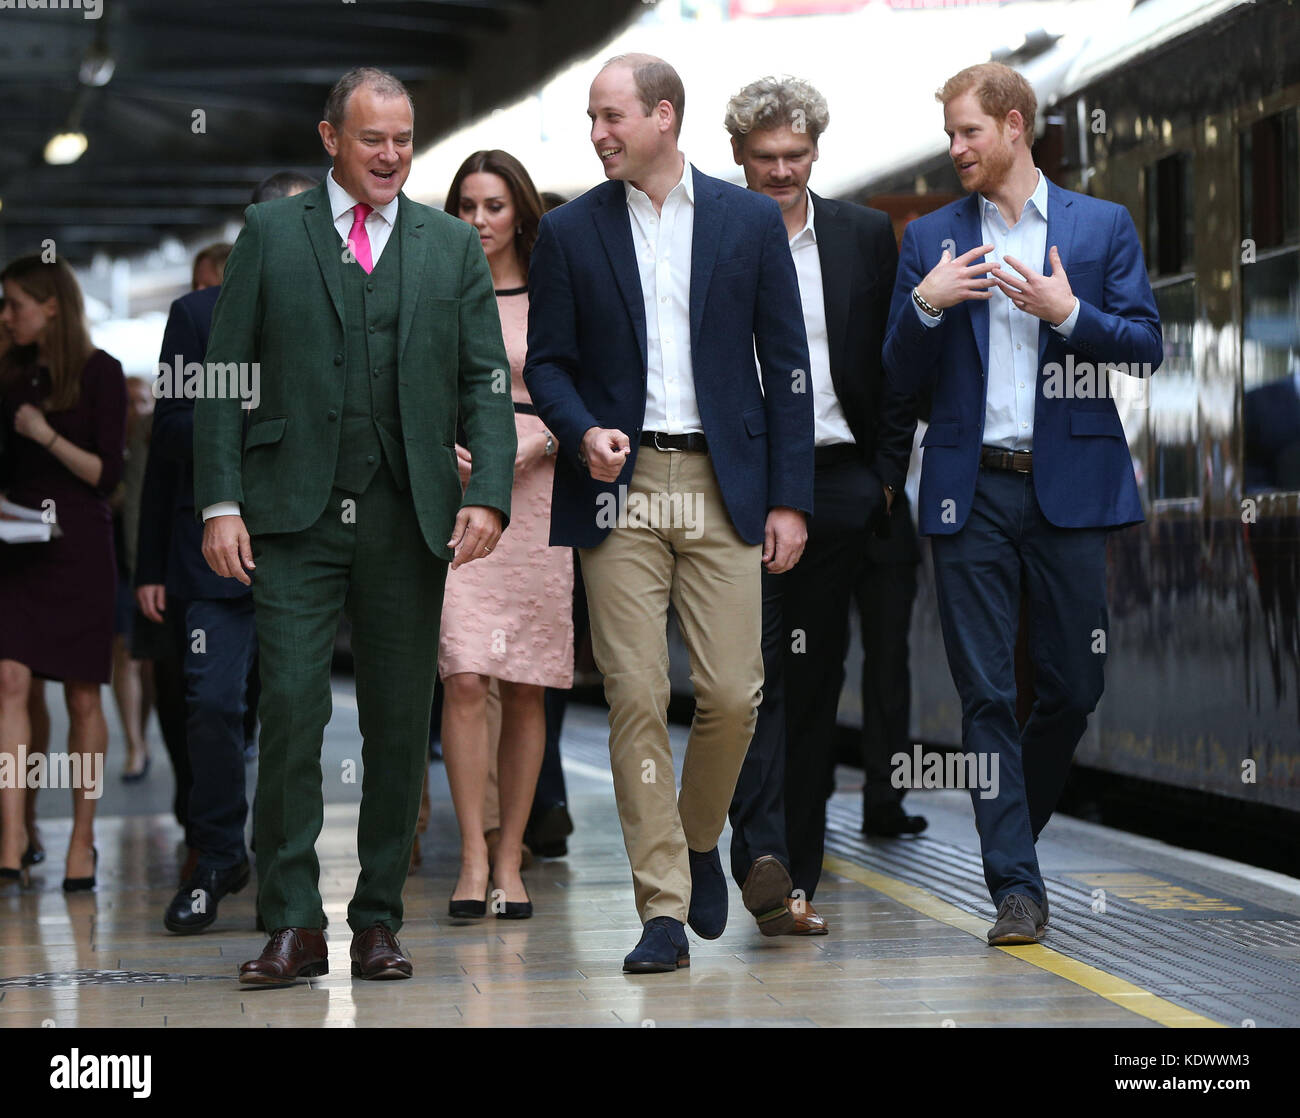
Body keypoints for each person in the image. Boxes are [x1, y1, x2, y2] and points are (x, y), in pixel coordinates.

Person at [194, 67, 515, 985]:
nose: (391, 156)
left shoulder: (450, 246)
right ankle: (292, 923)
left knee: (395, 724)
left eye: (405, 139)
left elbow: (483, 383)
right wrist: (221, 501)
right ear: (331, 139)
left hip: (409, 514)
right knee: (292, 713)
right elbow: (227, 374)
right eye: (373, 138)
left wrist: (487, 491)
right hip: (290, 514)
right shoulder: (269, 233)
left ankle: (377, 919)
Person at [524, 53, 812, 973]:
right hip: (623, 484)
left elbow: (788, 370)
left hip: (727, 483)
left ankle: (696, 839)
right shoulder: (569, 232)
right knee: (636, 695)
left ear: (663, 116)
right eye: (592, 119)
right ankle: (661, 909)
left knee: (733, 692)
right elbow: (549, 365)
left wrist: (789, 500)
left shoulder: (745, 222)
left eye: (612, 117)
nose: (599, 133)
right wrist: (579, 433)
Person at [883, 61, 1161, 945]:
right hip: (971, 495)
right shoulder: (929, 239)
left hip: (1068, 487)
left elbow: (1148, 345)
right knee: (986, 695)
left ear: (1012, 126)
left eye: (968, 132)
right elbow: (894, 379)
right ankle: (1015, 887)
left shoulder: (1098, 226)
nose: (956, 149)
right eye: (949, 136)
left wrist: (1070, 313)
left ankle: (1013, 838)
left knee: (1077, 683)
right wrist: (924, 308)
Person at [722, 75, 917, 937]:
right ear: (737, 157)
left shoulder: (865, 235)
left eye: (795, 156)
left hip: (841, 481)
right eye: (764, 158)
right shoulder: (711, 237)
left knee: (814, 681)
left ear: (815, 152)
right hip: (740, 479)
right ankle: (760, 852)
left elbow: (897, 360)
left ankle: (793, 873)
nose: (781, 171)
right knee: (750, 686)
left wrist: (883, 475)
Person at [138, 174, 315, 935]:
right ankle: (216, 855)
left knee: (295, 712)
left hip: (310, 544)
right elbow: (171, 433)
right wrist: (255, 415)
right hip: (214, 548)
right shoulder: (198, 314)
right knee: (210, 702)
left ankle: (282, 866)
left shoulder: (338, 314)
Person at [437, 149, 573, 921]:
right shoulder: (442, 290)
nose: (480, 220)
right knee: (462, 675)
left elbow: (589, 386)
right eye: (466, 206)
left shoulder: (553, 291)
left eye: (493, 206)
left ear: (519, 209)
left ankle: (513, 857)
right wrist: (439, 448)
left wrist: (543, 441)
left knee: (525, 682)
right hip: (459, 498)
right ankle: (472, 853)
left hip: (540, 492)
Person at [0, 255, 128, 893]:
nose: (6, 315)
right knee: (10, 678)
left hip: (78, 545)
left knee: (83, 694)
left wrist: (43, 433)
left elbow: (107, 475)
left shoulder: (101, 373)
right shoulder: (10, 374)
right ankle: (13, 835)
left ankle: (83, 837)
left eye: (14, 304)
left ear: (51, 305)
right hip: (17, 548)